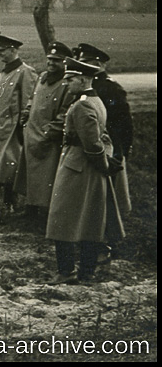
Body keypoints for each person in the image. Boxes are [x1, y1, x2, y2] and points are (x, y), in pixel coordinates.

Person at [45, 58, 125, 285]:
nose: (67, 83)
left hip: (76, 168)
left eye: (70, 79)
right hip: (88, 169)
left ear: (82, 79)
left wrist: (103, 163)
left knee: (63, 220)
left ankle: (66, 271)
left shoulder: (82, 105)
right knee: (91, 220)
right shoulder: (95, 100)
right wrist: (105, 163)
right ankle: (87, 271)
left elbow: (92, 144)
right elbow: (103, 138)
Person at [77, 42, 133, 262]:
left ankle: (104, 246)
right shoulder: (87, 88)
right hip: (91, 151)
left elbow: (123, 125)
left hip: (108, 152)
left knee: (106, 200)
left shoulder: (110, 90)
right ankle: (91, 242)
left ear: (98, 65)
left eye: (86, 63)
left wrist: (119, 154)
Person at [14, 42, 75, 230]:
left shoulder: (66, 84)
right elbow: (33, 99)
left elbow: (65, 112)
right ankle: (30, 209)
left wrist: (50, 132)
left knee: (47, 178)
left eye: (56, 61)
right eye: (49, 59)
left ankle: (46, 214)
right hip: (32, 134)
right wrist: (25, 115)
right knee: (30, 175)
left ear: (65, 62)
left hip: (49, 139)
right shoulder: (42, 78)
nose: (51, 63)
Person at [0, 35, 38, 210]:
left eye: (3, 50)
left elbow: (28, 103)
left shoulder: (26, 72)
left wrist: (22, 127)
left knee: (12, 166)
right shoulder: (3, 72)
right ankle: (7, 203)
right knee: (2, 167)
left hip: (13, 128)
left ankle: (14, 204)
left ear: (14, 50)